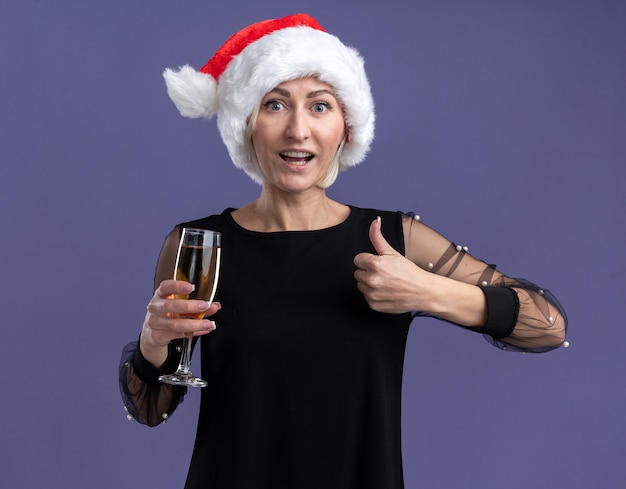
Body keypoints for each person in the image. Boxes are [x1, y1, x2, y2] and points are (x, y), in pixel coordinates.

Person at [119, 13, 567, 489]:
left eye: (319, 106)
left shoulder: (394, 239)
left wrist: (428, 292)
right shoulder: (200, 246)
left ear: (346, 127)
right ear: (247, 124)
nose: (297, 131)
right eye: (275, 104)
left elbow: (549, 326)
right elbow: (151, 410)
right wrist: (153, 343)